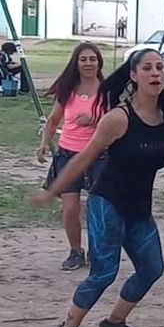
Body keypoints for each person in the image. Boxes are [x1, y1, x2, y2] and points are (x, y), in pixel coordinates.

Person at [30, 49, 164, 327]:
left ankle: (113, 324)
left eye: (160, 68)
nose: (156, 73)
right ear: (134, 75)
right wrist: (52, 190)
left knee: (151, 268)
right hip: (107, 203)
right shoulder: (118, 118)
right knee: (104, 272)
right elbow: (83, 159)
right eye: (148, 68)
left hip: (139, 208)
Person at [37, 42, 107, 271]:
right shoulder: (67, 89)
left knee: (98, 209)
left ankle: (98, 251)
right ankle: (76, 251)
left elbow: (120, 119)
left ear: (99, 62)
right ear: (76, 63)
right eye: (83, 59)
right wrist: (44, 144)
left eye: (92, 59)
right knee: (70, 208)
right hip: (68, 153)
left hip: (99, 155)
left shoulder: (108, 90)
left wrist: (95, 121)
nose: (88, 63)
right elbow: (53, 119)